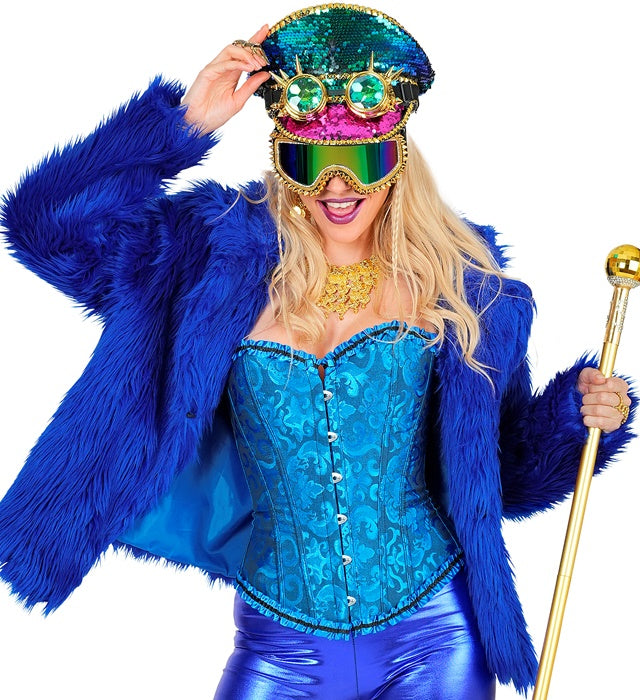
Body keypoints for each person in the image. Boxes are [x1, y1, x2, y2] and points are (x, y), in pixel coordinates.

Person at [0, 4, 634, 699]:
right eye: (310, 161)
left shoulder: (463, 290)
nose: (337, 187)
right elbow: (45, 228)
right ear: (282, 157)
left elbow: (500, 477)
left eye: (360, 160)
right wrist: (184, 124)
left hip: (435, 637)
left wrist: (575, 420)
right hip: (279, 644)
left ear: (396, 156)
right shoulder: (208, 263)